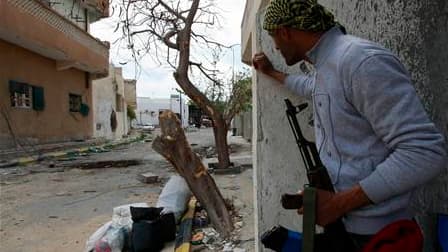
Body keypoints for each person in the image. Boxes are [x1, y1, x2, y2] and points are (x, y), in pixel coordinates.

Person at [252, 0, 446, 250]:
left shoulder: (359, 61)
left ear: (284, 32)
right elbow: (310, 87)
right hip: (351, 229)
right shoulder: (328, 67)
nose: (275, 47)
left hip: (382, 236)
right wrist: (271, 72)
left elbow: (425, 152)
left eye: (273, 38)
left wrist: (338, 204)